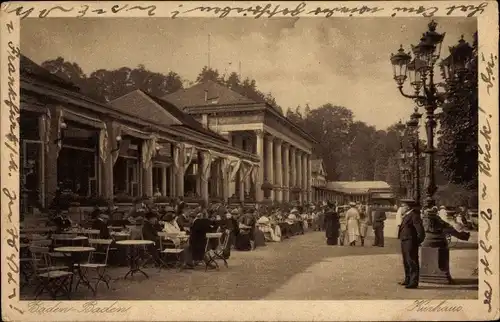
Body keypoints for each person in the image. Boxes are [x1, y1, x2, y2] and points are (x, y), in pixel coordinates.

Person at [397, 199, 425, 289]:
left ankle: (413, 282)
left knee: (412, 261)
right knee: (406, 261)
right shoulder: (407, 215)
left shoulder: (414, 215)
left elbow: (420, 232)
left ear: (408, 207)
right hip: (405, 241)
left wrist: (416, 242)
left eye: (403, 206)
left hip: (410, 241)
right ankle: (408, 279)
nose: (401, 208)